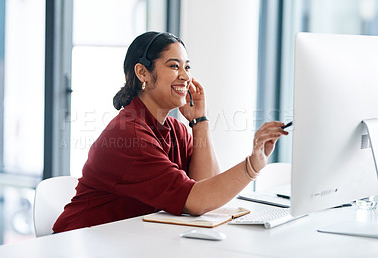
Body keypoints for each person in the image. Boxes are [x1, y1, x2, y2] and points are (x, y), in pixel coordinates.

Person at [53, 31, 288, 233]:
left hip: (125, 241)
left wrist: (200, 120)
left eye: (187, 67)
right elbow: (195, 201)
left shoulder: (174, 129)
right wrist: (253, 166)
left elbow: (205, 190)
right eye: (174, 66)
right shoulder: (128, 135)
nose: (186, 76)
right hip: (79, 243)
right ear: (142, 73)